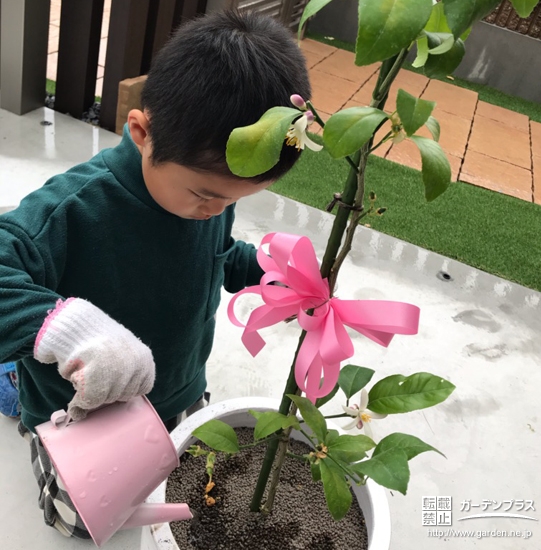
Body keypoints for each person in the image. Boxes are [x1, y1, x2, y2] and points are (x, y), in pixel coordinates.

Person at [0, 10, 311, 538]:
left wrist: (262, 273)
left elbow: (216, 252)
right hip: (80, 411)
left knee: (182, 477)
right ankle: (13, 387)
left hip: (178, 387)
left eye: (234, 199)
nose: (217, 210)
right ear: (142, 132)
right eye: (206, 194)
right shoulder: (74, 209)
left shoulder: (206, 199)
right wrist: (67, 331)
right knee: (82, 521)